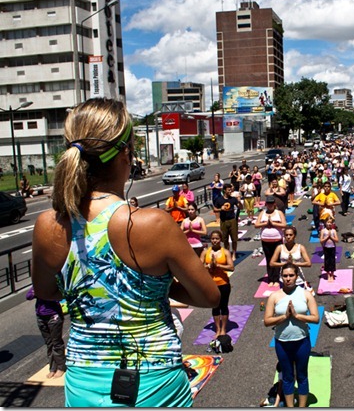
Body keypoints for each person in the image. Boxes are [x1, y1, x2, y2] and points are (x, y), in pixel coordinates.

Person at [31, 98, 220, 407]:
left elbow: (46, 290)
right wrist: (155, 284)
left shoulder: (48, 224)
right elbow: (208, 296)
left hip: (83, 380)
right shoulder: (152, 224)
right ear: (126, 155)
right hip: (154, 379)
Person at [264, 263, 319, 408]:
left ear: (296, 277)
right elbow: (267, 321)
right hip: (282, 342)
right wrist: (284, 317)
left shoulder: (306, 294)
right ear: (281, 277)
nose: (288, 279)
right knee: (287, 377)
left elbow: (315, 318)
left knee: (302, 376)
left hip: (302, 342)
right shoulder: (274, 296)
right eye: (285, 276)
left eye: (291, 275)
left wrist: (296, 315)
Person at [26, 286, 66, 379]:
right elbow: (28, 296)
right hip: (41, 316)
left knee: (56, 342)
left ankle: (61, 367)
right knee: (49, 343)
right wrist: (36, 291)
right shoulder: (38, 284)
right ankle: (52, 368)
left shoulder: (53, 283)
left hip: (53, 315)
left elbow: (60, 296)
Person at [201, 230, 234, 339]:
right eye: (213, 239)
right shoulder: (205, 252)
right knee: (215, 306)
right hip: (211, 284)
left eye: (217, 239)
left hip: (223, 282)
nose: (215, 241)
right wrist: (208, 266)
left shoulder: (225, 252)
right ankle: (217, 329)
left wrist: (218, 265)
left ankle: (223, 329)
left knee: (223, 306)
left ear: (220, 240)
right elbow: (199, 267)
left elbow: (231, 267)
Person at [255, 196, 287, 287]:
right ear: (266, 204)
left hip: (277, 240)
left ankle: (276, 278)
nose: (270, 205)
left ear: (274, 204)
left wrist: (273, 223)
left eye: (271, 203)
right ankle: (271, 278)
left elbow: (284, 224)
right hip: (265, 240)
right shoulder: (262, 213)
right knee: (269, 259)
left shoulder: (279, 213)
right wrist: (265, 223)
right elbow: (256, 224)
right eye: (268, 203)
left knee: (276, 259)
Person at [214, 184, 243, 259]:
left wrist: (239, 202)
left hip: (232, 220)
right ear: (224, 190)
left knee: (234, 238)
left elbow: (241, 207)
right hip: (223, 221)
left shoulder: (233, 199)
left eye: (231, 189)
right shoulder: (219, 199)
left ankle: (234, 253)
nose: (230, 191)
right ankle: (227, 253)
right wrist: (221, 209)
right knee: (225, 238)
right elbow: (215, 209)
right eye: (228, 190)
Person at [319, 217, 339, 281]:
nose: (329, 224)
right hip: (326, 247)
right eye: (328, 222)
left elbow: (337, 240)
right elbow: (321, 240)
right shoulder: (323, 231)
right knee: (327, 261)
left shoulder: (334, 231)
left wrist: (331, 237)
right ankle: (328, 274)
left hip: (332, 247)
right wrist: (327, 237)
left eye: (331, 223)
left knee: (332, 261)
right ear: (325, 223)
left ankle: (332, 274)